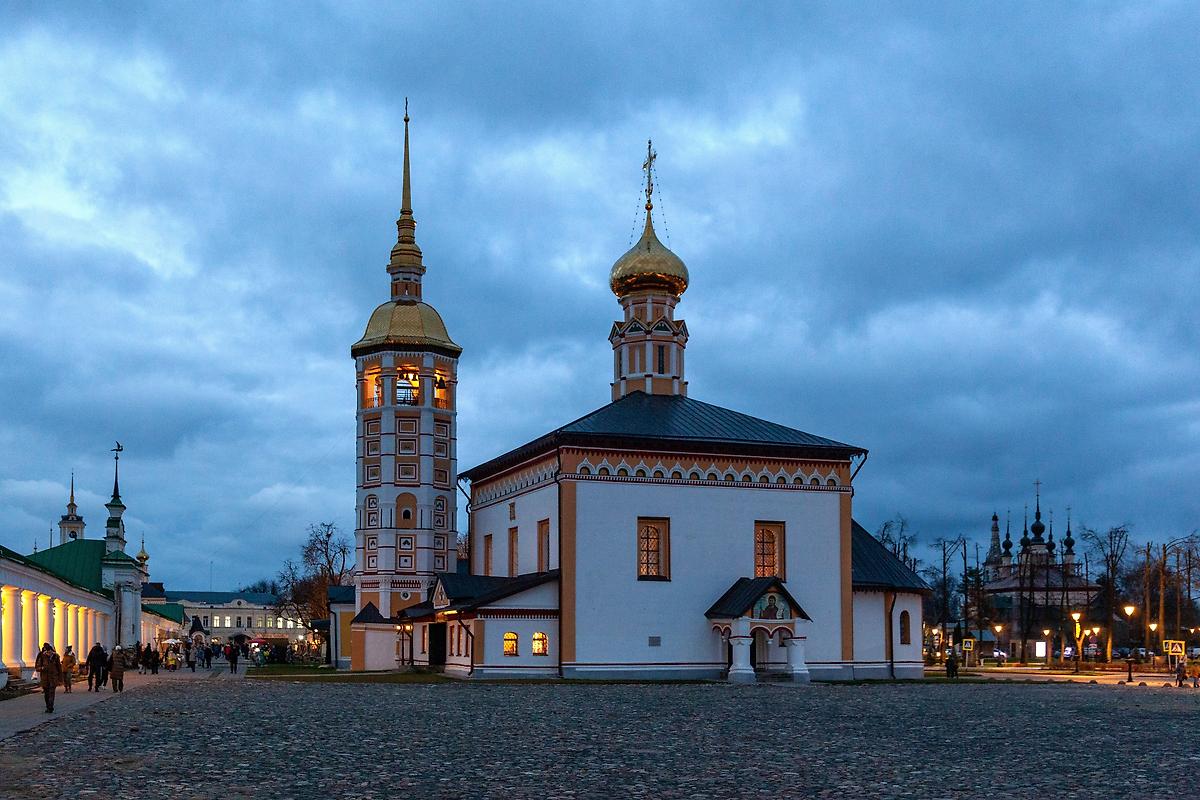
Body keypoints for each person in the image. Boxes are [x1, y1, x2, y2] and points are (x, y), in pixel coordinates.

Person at [34, 643, 63, 713]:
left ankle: (50, 707)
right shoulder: (42, 656)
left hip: (53, 678)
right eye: (47, 652)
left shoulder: (56, 657)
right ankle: (48, 705)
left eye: (50, 651)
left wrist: (60, 679)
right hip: (45, 678)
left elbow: (59, 668)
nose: (49, 653)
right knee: (46, 693)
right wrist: (42, 668)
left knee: (52, 692)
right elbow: (37, 667)